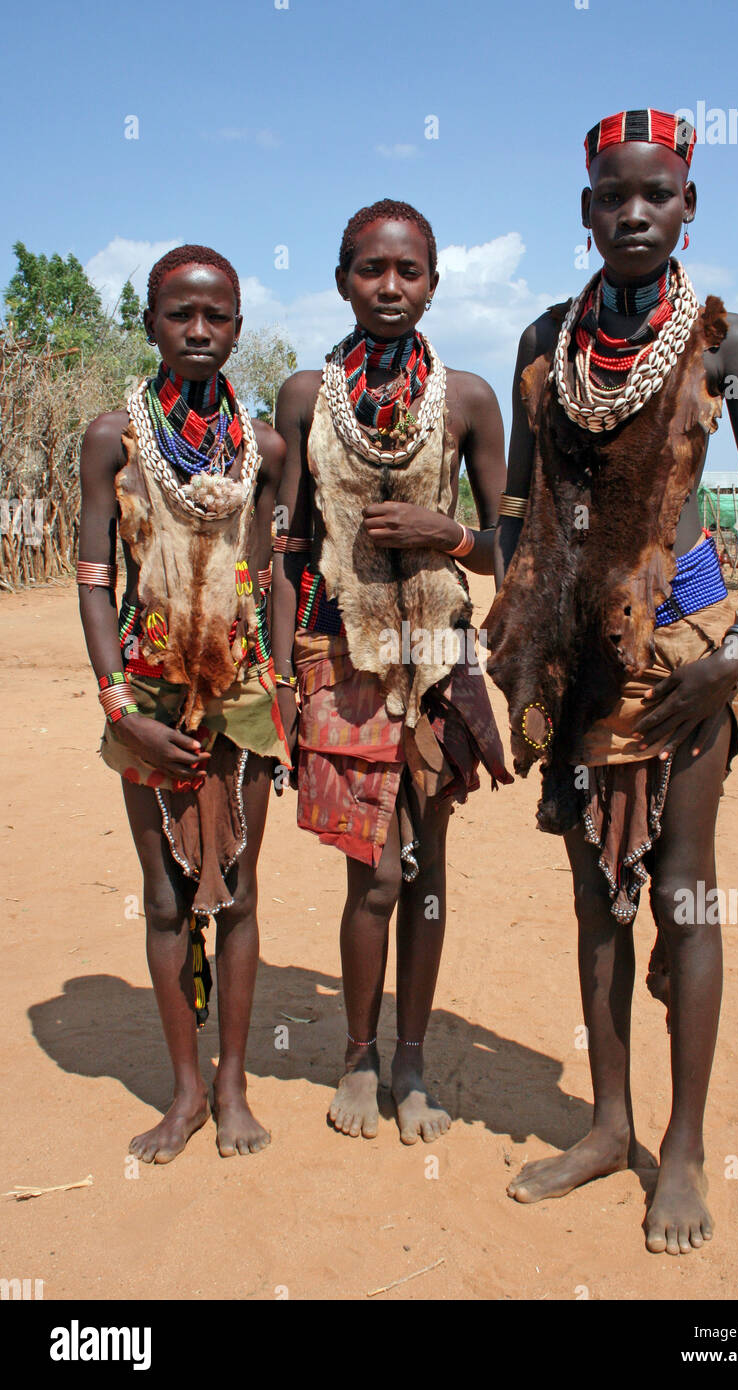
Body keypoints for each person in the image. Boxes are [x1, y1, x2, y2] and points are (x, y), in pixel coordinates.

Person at [485, 111, 738, 1253]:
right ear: (584, 212)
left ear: (686, 205)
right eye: (612, 196)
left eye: (655, 194)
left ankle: (680, 1151)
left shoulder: (724, 342)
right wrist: (495, 635)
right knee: (593, 900)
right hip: (575, 659)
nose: (632, 213)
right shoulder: (541, 342)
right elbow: (516, 529)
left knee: (683, 892)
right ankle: (607, 1125)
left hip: (677, 653)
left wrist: (733, 656)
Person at [272, 200, 510, 1144]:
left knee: (427, 863)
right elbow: (288, 547)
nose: (390, 288)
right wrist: (284, 672)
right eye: (372, 269)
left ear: (434, 284)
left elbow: (514, 546)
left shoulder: (468, 400)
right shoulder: (302, 395)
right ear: (342, 281)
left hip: (437, 664)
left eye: (408, 271)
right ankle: (357, 1054)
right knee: (371, 874)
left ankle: (414, 1059)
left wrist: (442, 531)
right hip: (343, 659)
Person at [78, 246, 288, 1162]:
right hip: (148, 692)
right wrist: (121, 707)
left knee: (235, 894)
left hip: (243, 698)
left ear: (238, 328)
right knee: (165, 901)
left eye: (217, 316)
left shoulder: (265, 450)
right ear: (152, 322)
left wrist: (276, 680)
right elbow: (93, 580)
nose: (198, 331)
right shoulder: (112, 440)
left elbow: (277, 569)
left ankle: (236, 1083)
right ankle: (187, 1091)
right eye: (178, 314)